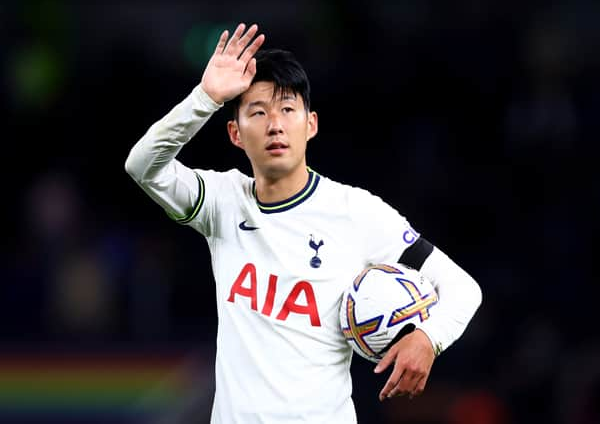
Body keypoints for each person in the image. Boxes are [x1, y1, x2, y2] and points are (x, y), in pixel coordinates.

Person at [125, 22, 482, 424]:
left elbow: (463, 288)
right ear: (235, 133)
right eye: (257, 112)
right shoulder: (223, 203)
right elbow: (142, 166)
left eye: (288, 109)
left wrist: (427, 339)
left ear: (310, 124)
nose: (275, 124)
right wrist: (204, 99)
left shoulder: (355, 211)